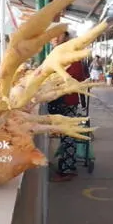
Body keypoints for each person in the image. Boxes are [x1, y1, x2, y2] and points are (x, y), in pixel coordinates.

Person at [48, 31, 89, 182]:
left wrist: (55, 78)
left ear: (66, 37)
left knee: (68, 134)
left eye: (57, 35)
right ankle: (66, 166)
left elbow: (75, 76)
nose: (54, 38)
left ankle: (68, 170)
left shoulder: (71, 55)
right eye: (52, 35)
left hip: (67, 100)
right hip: (59, 99)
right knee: (65, 134)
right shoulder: (57, 53)